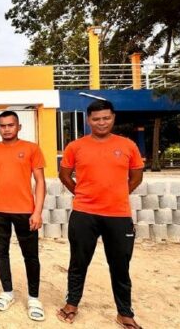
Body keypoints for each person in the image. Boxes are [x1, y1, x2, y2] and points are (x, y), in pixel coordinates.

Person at [56, 99, 144, 329]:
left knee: (120, 266)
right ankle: (71, 304)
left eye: (106, 118)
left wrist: (120, 193)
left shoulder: (127, 146)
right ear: (89, 121)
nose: (101, 122)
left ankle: (124, 313)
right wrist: (80, 193)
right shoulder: (76, 146)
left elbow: (137, 175)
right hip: (84, 214)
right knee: (78, 262)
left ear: (113, 118)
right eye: (96, 119)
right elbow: (64, 174)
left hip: (118, 215)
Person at [0, 110, 46, 321]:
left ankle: (34, 298)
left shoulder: (31, 149)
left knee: (31, 256)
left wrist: (37, 211)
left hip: (25, 211)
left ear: (19, 127)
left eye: (10, 125)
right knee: (1, 252)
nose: (6, 129)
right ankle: (7, 292)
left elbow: (40, 181)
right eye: (3, 125)